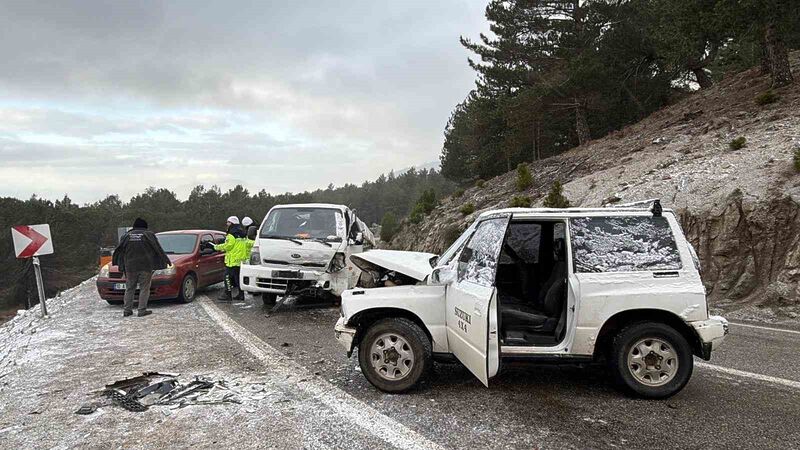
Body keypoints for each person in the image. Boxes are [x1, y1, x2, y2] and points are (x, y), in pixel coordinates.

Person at [112, 218, 171, 317]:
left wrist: (120, 265)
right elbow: (158, 249)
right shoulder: (149, 235)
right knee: (144, 288)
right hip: (145, 266)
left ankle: (127, 310)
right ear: (145, 226)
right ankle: (142, 310)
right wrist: (166, 260)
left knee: (129, 288)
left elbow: (120, 251)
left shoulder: (126, 236)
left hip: (130, 267)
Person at [213, 216, 248, 301]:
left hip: (232, 260)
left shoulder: (231, 234)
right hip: (240, 260)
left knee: (227, 277)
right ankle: (241, 295)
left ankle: (227, 294)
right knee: (238, 278)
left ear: (232, 223)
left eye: (228, 222)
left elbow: (228, 246)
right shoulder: (242, 233)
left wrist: (216, 247)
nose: (227, 224)